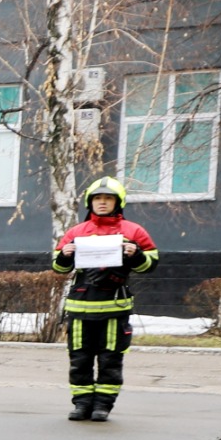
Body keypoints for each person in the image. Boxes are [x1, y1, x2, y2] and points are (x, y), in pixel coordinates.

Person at [50, 174, 159, 421]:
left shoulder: (134, 231)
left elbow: (151, 264)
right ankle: (82, 404)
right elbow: (58, 267)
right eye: (97, 198)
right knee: (79, 359)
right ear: (90, 202)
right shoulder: (77, 232)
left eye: (107, 198)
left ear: (117, 202)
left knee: (110, 359)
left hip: (114, 308)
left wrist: (137, 254)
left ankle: (103, 405)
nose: (102, 202)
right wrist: (65, 255)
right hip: (80, 308)